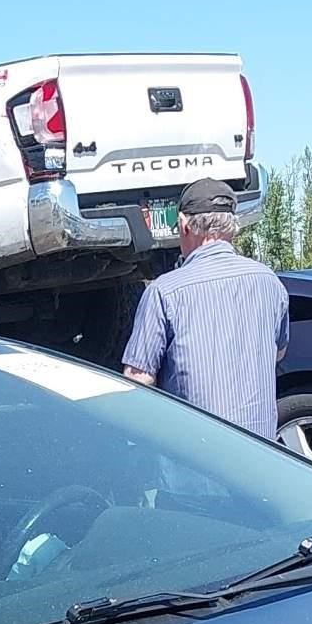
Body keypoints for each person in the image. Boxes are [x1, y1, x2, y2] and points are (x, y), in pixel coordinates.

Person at [119, 176, 288, 437]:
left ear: (185, 226)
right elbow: (278, 352)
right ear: (233, 226)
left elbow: (137, 379)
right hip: (260, 454)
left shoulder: (165, 292)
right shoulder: (270, 282)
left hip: (195, 455)